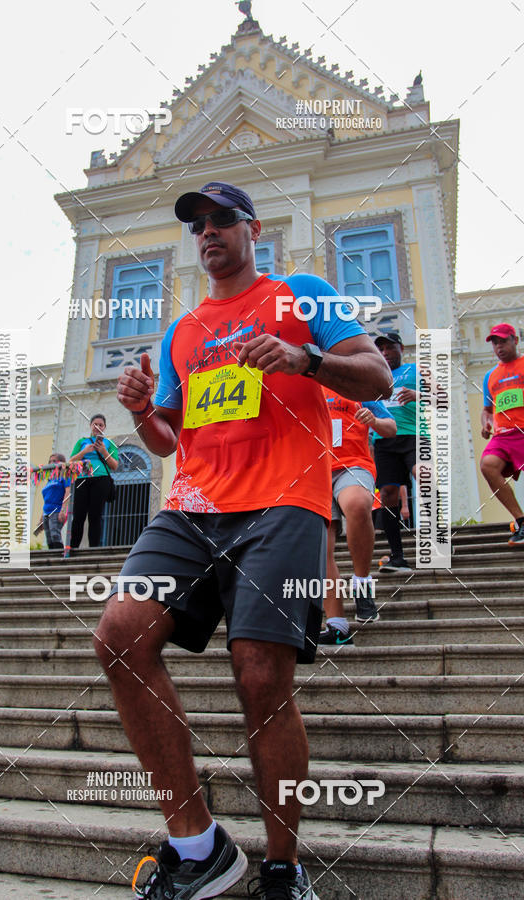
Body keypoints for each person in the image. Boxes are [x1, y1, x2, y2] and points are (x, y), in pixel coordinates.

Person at [93, 181, 392, 900]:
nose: (208, 232)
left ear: (253, 229)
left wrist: (304, 361)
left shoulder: (303, 294)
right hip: (192, 507)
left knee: (261, 677)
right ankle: (198, 848)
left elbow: (376, 376)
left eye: (222, 219)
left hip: (283, 502)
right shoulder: (184, 331)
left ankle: (284, 867)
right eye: (197, 225)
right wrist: (140, 413)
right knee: (119, 636)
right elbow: (168, 436)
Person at [319, 390, 397, 645]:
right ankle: (337, 625)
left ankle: (362, 583)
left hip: (353, 465)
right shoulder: (305, 382)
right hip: (315, 471)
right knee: (322, 545)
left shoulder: (357, 384)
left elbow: (391, 428)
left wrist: (373, 421)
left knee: (357, 503)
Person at [372, 332, 424, 573]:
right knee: (388, 493)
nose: (385, 353)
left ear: (401, 348)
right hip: (384, 440)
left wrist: (418, 395)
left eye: (390, 348)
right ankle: (397, 557)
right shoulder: (374, 376)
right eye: (380, 349)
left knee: (424, 474)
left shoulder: (417, 369)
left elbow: (443, 398)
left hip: (414, 435)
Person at [480, 322, 524, 546]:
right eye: (495, 343)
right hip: (503, 435)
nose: (499, 347)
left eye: (503, 341)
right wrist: (485, 424)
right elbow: (487, 410)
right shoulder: (490, 376)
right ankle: (521, 521)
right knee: (488, 465)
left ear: (515, 340)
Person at [68, 414, 118, 548]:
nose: (98, 427)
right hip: (83, 478)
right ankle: (73, 547)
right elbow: (71, 461)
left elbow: (114, 465)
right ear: (90, 426)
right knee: (78, 515)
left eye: (101, 425)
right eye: (95, 424)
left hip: (102, 479)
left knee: (95, 515)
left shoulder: (109, 443)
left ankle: (93, 548)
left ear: (105, 427)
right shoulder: (82, 441)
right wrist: (84, 451)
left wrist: (103, 451)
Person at [40, 453, 71, 549]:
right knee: (49, 538)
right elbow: (47, 499)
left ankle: (59, 556)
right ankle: (52, 558)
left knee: (55, 534)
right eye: (50, 461)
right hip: (46, 512)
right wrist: (42, 516)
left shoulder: (65, 476)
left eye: (54, 461)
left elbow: (68, 492)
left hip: (57, 510)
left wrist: (63, 510)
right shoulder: (50, 479)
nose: (51, 463)